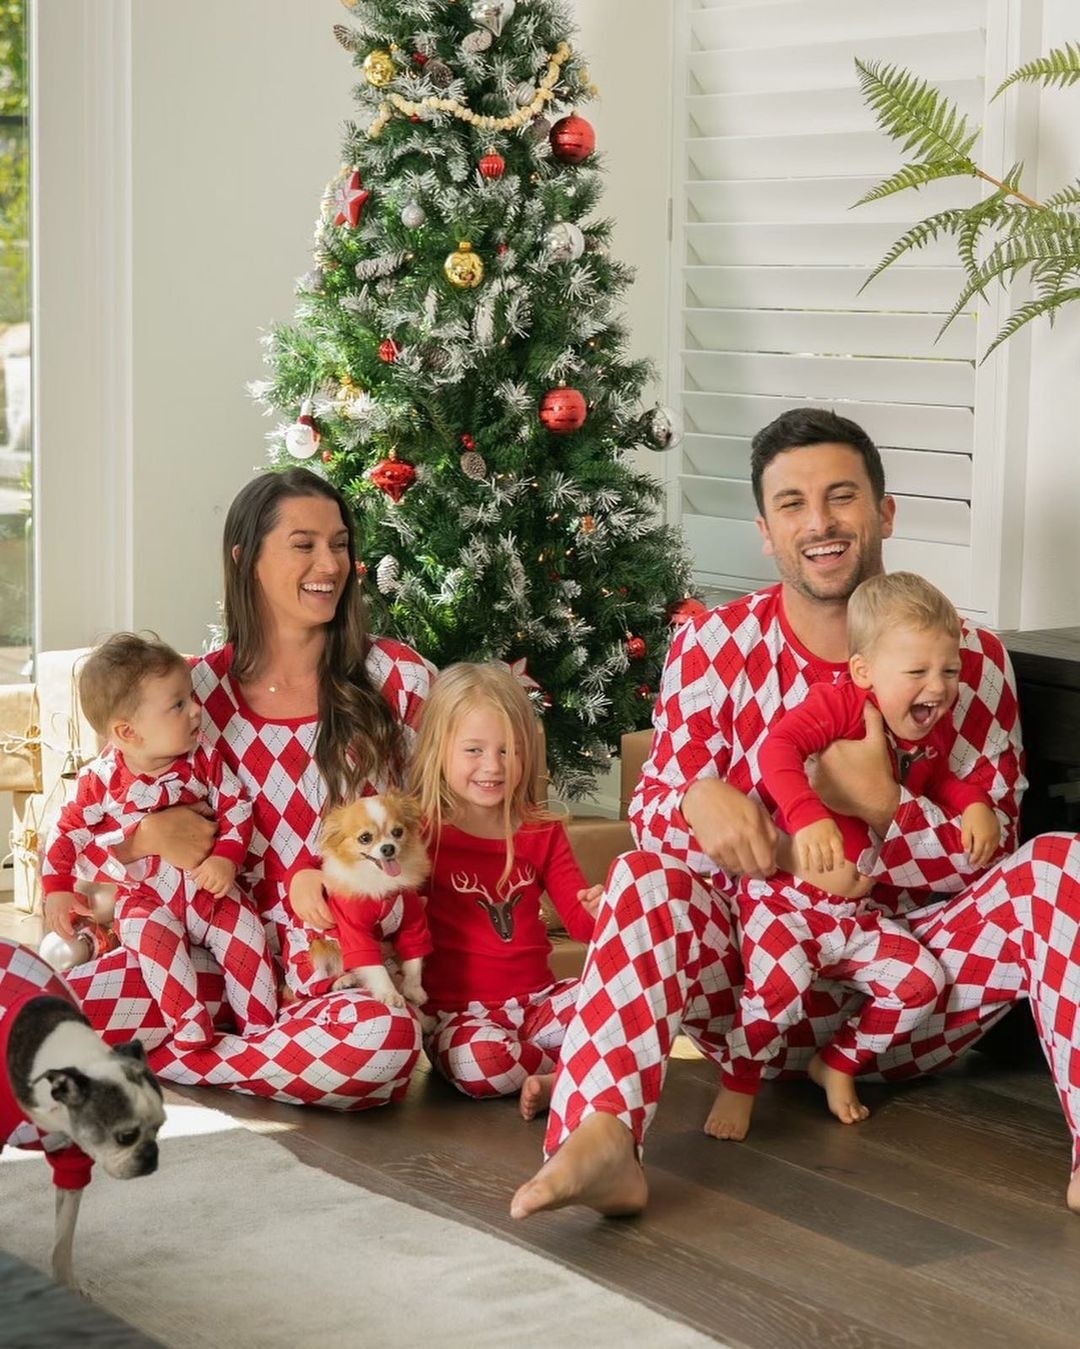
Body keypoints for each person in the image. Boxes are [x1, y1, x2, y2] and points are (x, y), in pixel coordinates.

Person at [511, 405, 1080, 1221]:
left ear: (884, 513)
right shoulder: (714, 645)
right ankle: (600, 1137)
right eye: (792, 504)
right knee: (641, 874)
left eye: (842, 497)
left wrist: (879, 808)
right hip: (754, 998)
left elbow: (993, 861)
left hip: (914, 996)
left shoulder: (973, 661)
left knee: (1066, 862)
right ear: (766, 529)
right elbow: (659, 825)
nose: (820, 523)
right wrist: (694, 798)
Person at [60, 467, 434, 1109]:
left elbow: (446, 832)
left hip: (338, 966)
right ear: (245, 558)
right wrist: (142, 839)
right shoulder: (188, 697)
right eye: (303, 543)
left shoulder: (395, 677)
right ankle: (255, 1056)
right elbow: (87, 839)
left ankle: (180, 1060)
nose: (330, 563)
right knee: (47, 1017)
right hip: (211, 964)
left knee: (384, 1043)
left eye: (340, 543)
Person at [706, 572, 999, 1140]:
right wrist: (809, 814)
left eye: (950, 670)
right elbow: (779, 747)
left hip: (855, 919)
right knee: (777, 994)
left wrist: (976, 807)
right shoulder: (841, 703)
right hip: (785, 906)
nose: (937, 688)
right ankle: (738, 1085)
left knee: (920, 982)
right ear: (864, 670)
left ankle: (839, 1062)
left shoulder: (923, 734)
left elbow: (942, 785)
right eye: (917, 672)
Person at [41, 633, 278, 1048]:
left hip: (208, 888)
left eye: (191, 698)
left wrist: (225, 857)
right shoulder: (101, 782)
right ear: (128, 732)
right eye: (179, 705)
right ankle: (188, 1024)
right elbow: (66, 832)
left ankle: (260, 1027)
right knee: (151, 943)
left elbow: (237, 807)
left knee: (244, 931)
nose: (196, 711)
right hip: (146, 898)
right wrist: (56, 888)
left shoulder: (202, 758)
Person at [411, 662, 601, 1119]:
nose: (493, 767)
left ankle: (559, 1077)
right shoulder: (420, 830)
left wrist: (602, 908)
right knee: (486, 1063)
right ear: (439, 750)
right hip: (460, 1018)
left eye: (509, 751)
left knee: (621, 1004)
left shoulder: (540, 830)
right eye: (474, 750)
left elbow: (581, 922)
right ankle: (586, 1073)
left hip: (539, 1004)